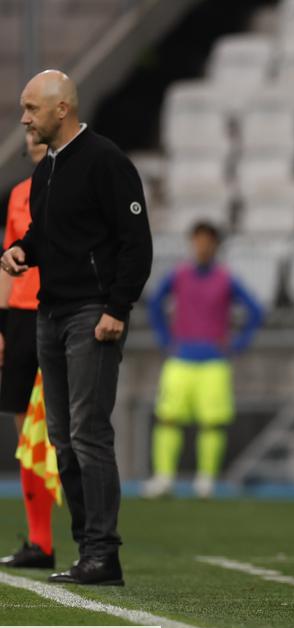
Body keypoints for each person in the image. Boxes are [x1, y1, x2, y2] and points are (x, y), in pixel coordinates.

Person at [1, 70, 153, 586]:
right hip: (50, 312)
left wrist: (117, 307)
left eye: (30, 108)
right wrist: (22, 250)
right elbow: (46, 235)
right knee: (64, 438)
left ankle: (102, 552)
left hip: (92, 315)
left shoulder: (106, 160)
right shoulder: (49, 170)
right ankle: (87, 548)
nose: (23, 118)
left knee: (89, 435)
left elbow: (137, 242)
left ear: (60, 109)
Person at [142, 221, 263, 500]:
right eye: (197, 241)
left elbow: (255, 311)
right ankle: (164, 477)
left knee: (212, 423)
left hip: (213, 362)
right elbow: (155, 302)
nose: (202, 247)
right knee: (168, 418)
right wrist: (163, 337)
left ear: (215, 245)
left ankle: (205, 479)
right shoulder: (179, 276)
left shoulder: (225, 278)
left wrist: (238, 343)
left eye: (207, 241)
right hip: (181, 358)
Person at [0, 132, 59, 569]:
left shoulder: (77, 188)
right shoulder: (19, 194)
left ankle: (93, 538)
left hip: (65, 311)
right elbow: (7, 264)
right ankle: (41, 541)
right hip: (22, 316)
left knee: (70, 430)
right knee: (28, 432)